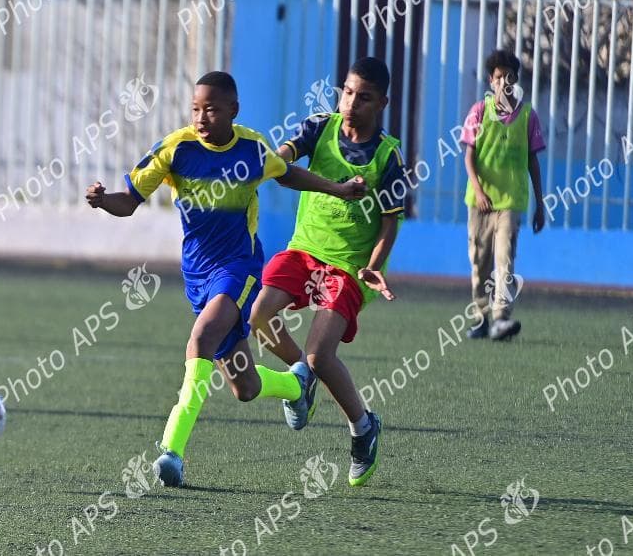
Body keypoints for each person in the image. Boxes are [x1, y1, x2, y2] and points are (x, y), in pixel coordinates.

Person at [85, 71, 366, 487]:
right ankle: (295, 385)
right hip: (197, 273)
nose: (201, 117)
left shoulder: (251, 148)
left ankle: (171, 452)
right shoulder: (175, 149)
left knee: (201, 339)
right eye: (196, 108)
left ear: (233, 111)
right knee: (246, 385)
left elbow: (286, 173)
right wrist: (103, 200)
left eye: (212, 109)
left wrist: (338, 190)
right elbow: (129, 200)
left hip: (239, 268)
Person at [250, 57, 405, 487]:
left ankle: (362, 427)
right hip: (304, 251)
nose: (352, 103)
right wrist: (274, 158)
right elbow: (281, 167)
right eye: (349, 92)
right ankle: (303, 381)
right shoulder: (319, 127)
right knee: (259, 317)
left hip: (351, 267)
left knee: (321, 355)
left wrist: (373, 267)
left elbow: (390, 222)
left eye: (365, 97)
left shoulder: (389, 158)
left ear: (383, 103)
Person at [461, 49, 545, 341]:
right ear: (491, 80)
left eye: (509, 77)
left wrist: (540, 204)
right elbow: (468, 157)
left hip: (510, 202)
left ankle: (500, 319)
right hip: (480, 203)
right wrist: (480, 191)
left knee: (505, 260)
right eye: (499, 77)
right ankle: (481, 318)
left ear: (516, 80)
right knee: (479, 263)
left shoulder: (527, 116)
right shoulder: (479, 112)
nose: (504, 82)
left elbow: (533, 161)